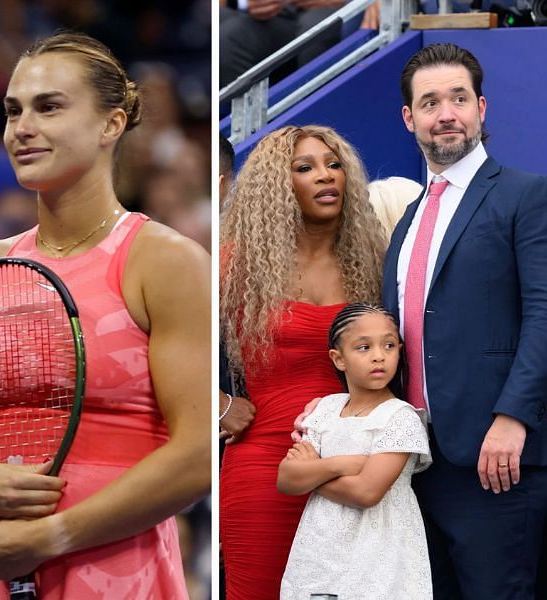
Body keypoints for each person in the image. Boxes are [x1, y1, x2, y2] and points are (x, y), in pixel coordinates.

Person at [0, 32, 211, 599]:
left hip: (115, 571)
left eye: (49, 107)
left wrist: (53, 535)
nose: (22, 128)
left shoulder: (166, 260)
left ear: (111, 125)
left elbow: (197, 456)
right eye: (13, 111)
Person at [383, 42, 547, 598]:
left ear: (482, 107)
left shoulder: (527, 196)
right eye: (430, 103)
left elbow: (544, 313)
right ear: (410, 119)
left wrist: (513, 418)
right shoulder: (407, 219)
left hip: (495, 455)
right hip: (417, 459)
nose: (446, 113)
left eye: (459, 98)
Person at [219, 124, 387, 599]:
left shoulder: (372, 262)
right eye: (305, 168)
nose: (325, 176)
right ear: (277, 184)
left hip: (356, 465)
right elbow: (155, 345)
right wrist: (217, 403)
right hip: (265, 464)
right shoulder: (236, 264)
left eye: (334, 165)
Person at [276, 303, 431, 599]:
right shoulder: (326, 409)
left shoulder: (401, 417)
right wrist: (344, 464)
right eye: (363, 347)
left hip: (378, 548)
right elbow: (286, 479)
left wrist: (313, 471)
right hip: (321, 546)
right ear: (338, 359)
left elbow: (365, 493)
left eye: (388, 345)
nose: (378, 355)